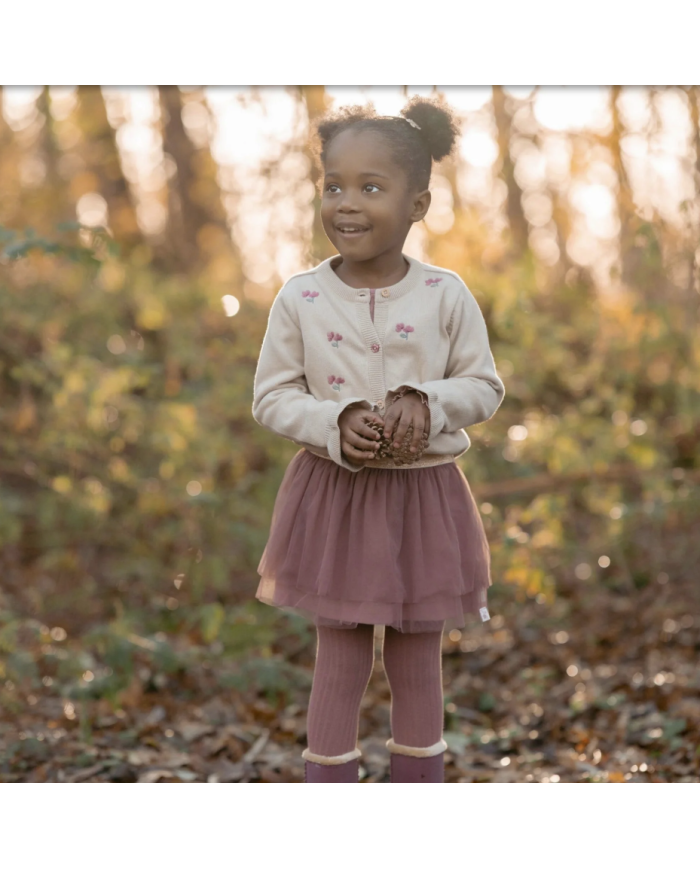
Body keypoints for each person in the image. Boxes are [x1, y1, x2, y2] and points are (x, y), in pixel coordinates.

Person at [251, 95, 505, 783]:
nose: (347, 203)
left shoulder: (446, 295)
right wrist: (332, 422)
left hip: (426, 497)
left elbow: (484, 386)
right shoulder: (300, 298)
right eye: (334, 185)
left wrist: (430, 401)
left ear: (417, 204)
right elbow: (271, 396)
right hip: (336, 495)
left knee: (418, 655)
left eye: (371, 186)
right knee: (341, 652)